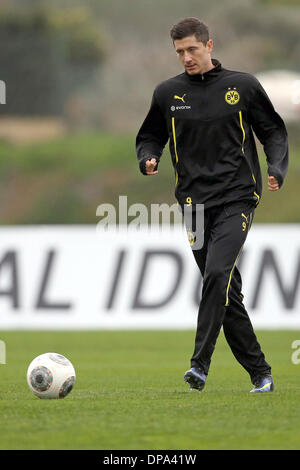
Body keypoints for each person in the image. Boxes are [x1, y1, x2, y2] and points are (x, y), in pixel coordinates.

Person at [135, 18, 288, 393]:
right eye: (180, 52)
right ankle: (261, 373)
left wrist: (277, 167)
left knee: (216, 276)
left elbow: (273, 131)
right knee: (225, 291)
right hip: (193, 205)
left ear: (209, 46)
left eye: (192, 49)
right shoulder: (167, 93)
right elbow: (149, 137)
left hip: (237, 197)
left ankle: (199, 365)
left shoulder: (243, 86)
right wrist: (148, 158)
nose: (186, 57)